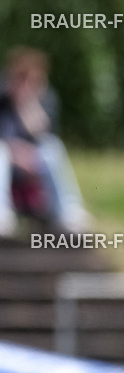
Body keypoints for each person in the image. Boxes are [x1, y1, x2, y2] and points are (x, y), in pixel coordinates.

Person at [0, 46, 90, 237]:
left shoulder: (47, 99)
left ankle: (67, 211)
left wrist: (26, 103)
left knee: (53, 148)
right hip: (8, 158)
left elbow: (43, 134)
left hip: (34, 162)